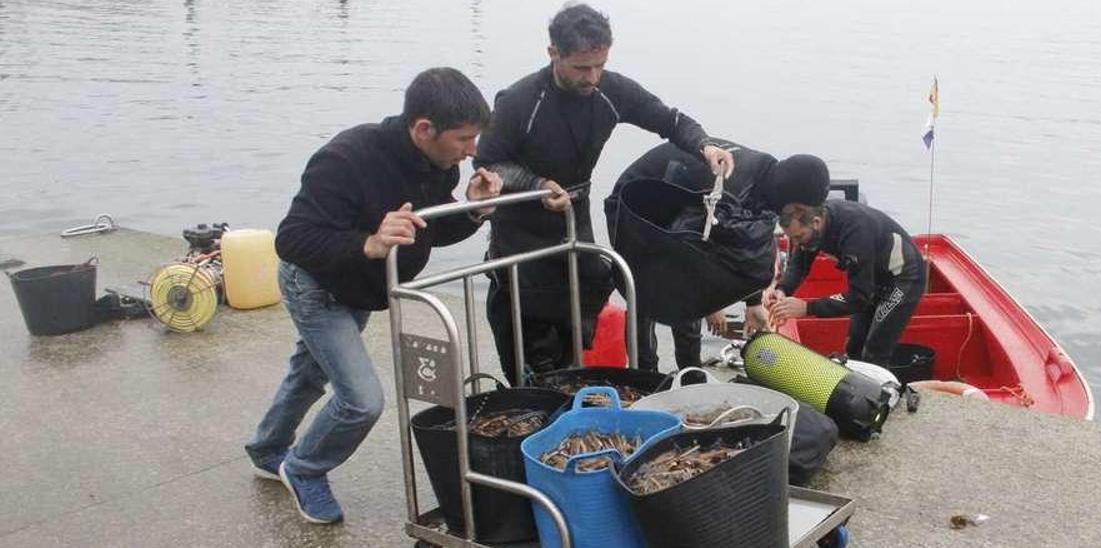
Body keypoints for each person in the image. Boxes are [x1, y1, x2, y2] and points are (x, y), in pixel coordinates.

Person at [244, 67, 501, 524]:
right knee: (361, 399)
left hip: (361, 288)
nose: (472, 150)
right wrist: (368, 244)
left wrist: (474, 210)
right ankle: (304, 469)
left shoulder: (438, 163)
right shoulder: (346, 159)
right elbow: (292, 239)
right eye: (464, 139)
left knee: (309, 373)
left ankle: (267, 448)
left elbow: (428, 230)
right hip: (317, 285)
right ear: (424, 129)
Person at [475, 3, 734, 382]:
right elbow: (489, 164)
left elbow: (669, 120)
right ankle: (531, 384)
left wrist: (704, 146)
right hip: (521, 228)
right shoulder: (519, 101)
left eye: (600, 65)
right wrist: (537, 185)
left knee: (586, 298)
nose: (592, 77)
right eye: (581, 68)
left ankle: (565, 379)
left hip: (574, 214)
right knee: (529, 327)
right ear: (553, 54)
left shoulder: (610, 90)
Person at [604, 139, 831, 370]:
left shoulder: (767, 186)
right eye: (800, 209)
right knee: (650, 292)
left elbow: (742, 247)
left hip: (678, 213)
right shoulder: (733, 185)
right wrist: (711, 304)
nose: (798, 217)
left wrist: (753, 303)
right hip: (634, 205)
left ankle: (690, 372)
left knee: (684, 294)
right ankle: (645, 371)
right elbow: (688, 252)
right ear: (792, 197)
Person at [765, 188, 925, 366]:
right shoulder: (812, 226)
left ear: (816, 222)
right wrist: (782, 289)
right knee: (854, 345)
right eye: (791, 238)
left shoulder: (855, 232)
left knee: (875, 349)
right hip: (873, 274)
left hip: (903, 276)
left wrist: (806, 308)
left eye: (798, 237)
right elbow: (799, 264)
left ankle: (881, 390)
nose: (796, 243)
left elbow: (859, 297)